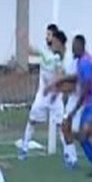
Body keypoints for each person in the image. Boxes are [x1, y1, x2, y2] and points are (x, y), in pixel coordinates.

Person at [18, 26, 65, 162]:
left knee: (61, 125)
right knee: (32, 120)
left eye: (49, 34)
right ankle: (24, 148)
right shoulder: (44, 51)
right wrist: (23, 38)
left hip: (55, 96)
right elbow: (31, 50)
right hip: (42, 95)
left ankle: (69, 155)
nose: (47, 37)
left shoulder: (59, 56)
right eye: (46, 34)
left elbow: (60, 75)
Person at [60, 34, 92, 173]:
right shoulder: (82, 60)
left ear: (81, 46)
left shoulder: (85, 63)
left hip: (91, 103)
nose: (72, 49)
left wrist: (75, 109)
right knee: (84, 135)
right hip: (87, 102)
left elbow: (86, 88)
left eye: (74, 46)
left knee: (84, 135)